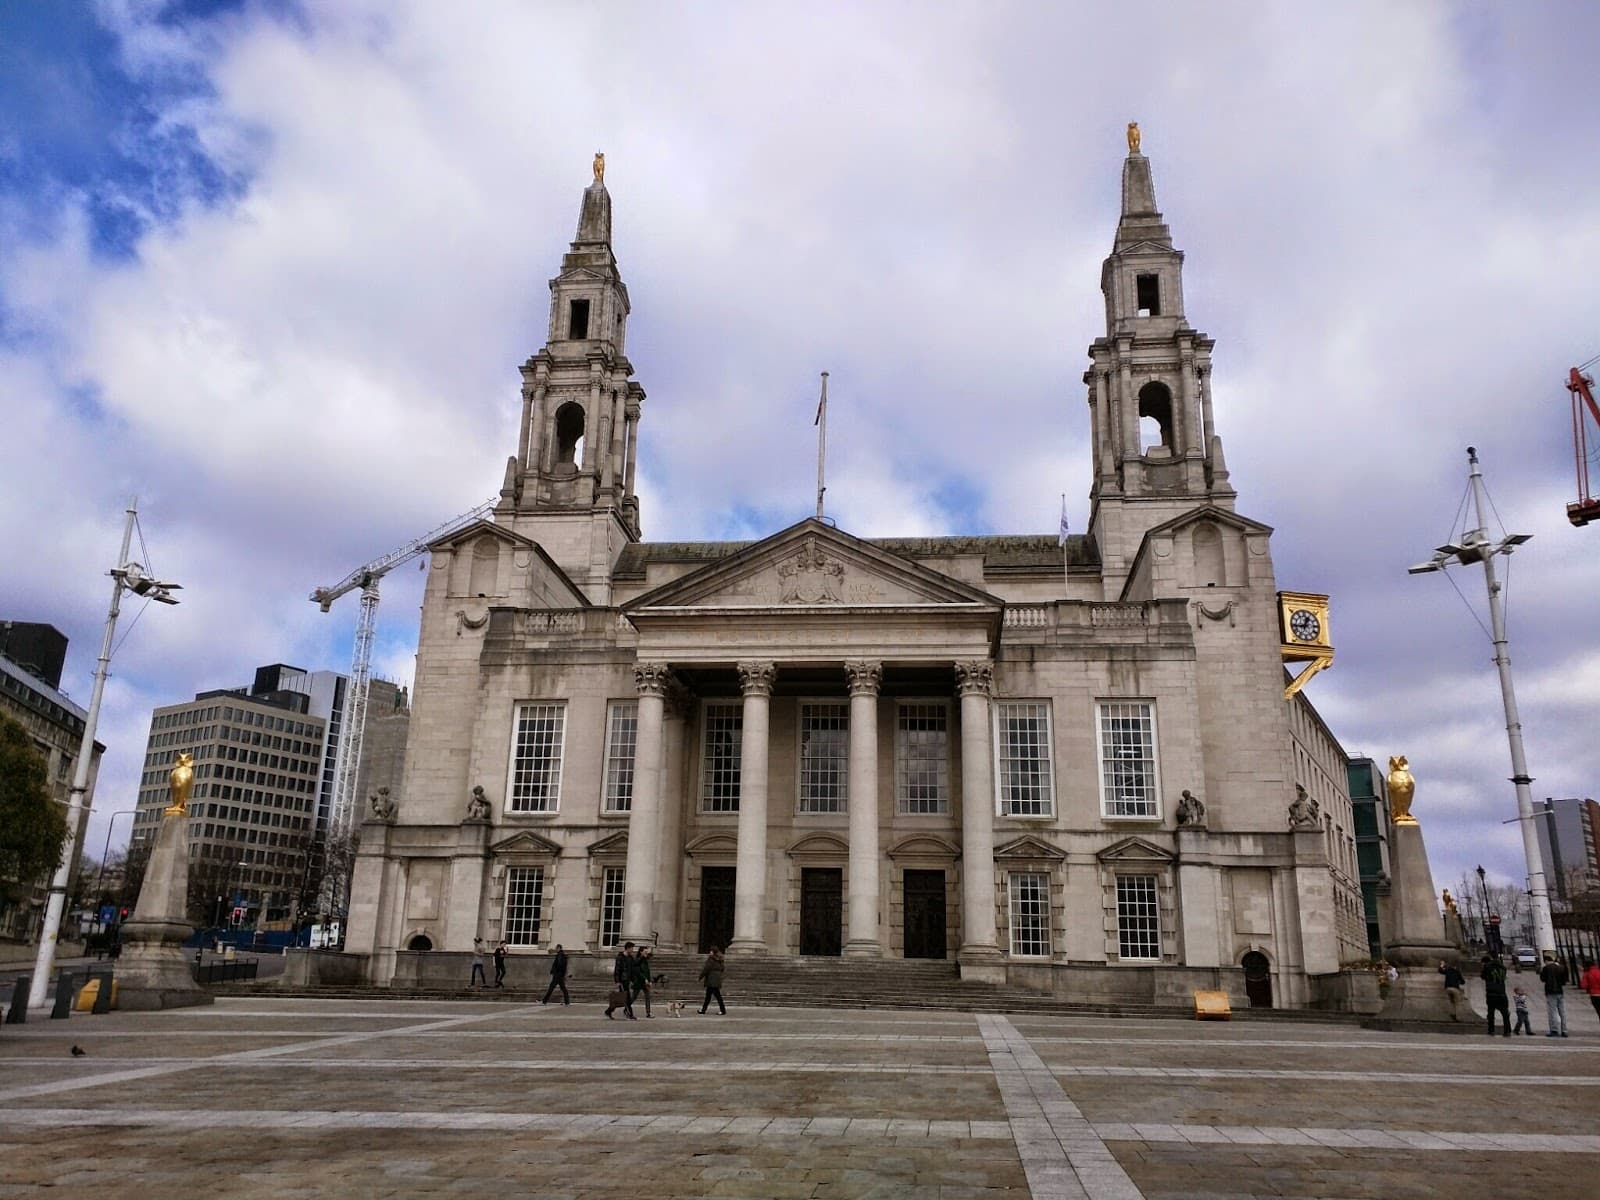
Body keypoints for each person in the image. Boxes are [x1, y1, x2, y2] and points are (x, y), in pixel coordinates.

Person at [1540, 952, 1569, 1037]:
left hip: (1550, 991)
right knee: (1562, 1012)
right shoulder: (1561, 968)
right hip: (1560, 991)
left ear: (1546, 961)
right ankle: (1564, 1030)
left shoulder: (1546, 968)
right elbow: (1564, 981)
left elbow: (1543, 979)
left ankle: (1554, 1030)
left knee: (1552, 1012)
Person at [1480, 954, 1510, 1037]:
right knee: (1505, 1013)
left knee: (1491, 1013)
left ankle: (1491, 1030)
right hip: (1502, 992)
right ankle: (1507, 1031)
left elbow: (1482, 976)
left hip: (1491, 992)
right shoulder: (1503, 968)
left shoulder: (1487, 967)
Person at [606, 942, 636, 1019]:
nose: (633, 950)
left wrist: (633, 980)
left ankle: (609, 1011)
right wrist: (617, 981)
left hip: (627, 980)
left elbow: (632, 970)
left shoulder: (631, 958)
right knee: (627, 997)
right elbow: (617, 970)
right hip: (622, 980)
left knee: (621, 998)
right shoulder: (620, 957)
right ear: (628, 948)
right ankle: (630, 1014)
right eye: (632, 948)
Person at [698, 946, 727, 1015]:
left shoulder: (711, 959)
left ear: (713, 952)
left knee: (717, 996)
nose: (709, 952)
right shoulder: (720, 960)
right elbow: (722, 969)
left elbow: (706, 969)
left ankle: (723, 1010)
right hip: (716, 979)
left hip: (711, 980)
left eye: (710, 951)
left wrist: (700, 977)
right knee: (709, 996)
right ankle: (703, 1010)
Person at [632, 946, 655, 1018]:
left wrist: (649, 980)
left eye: (646, 952)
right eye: (645, 952)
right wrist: (644, 979)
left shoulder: (645, 960)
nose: (646, 953)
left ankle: (648, 1013)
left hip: (645, 982)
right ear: (641, 952)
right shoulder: (637, 960)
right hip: (639, 982)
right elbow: (638, 972)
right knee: (633, 997)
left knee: (647, 997)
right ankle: (627, 1007)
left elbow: (647, 972)